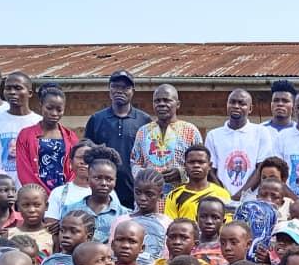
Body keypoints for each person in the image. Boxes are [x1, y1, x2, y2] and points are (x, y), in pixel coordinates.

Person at [83, 69, 151, 208]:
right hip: (103, 189)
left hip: (135, 190)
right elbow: (87, 154)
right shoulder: (97, 119)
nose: (120, 91)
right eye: (115, 86)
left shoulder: (144, 120)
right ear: (109, 90)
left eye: (125, 87)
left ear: (133, 91)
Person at [131, 85, 203, 194]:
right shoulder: (143, 132)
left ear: (177, 104)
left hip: (181, 199)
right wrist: (147, 176)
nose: (161, 104)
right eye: (157, 101)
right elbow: (135, 162)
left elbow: (201, 163)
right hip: (149, 200)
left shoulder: (191, 131)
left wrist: (182, 173)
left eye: (166, 100)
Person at [205, 89, 275, 200]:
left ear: (250, 108)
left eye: (242, 103)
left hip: (251, 198)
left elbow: (261, 167)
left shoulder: (261, 132)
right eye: (232, 102)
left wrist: (241, 194)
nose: (236, 106)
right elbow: (210, 170)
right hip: (221, 199)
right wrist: (224, 194)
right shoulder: (213, 135)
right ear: (227, 105)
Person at [15, 84, 78, 193]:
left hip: (66, 195)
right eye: (49, 108)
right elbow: (24, 170)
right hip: (36, 196)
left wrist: (65, 194)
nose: (54, 113)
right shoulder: (25, 135)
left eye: (59, 110)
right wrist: (42, 194)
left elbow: (76, 168)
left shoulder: (70, 136)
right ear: (41, 105)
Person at [0, 73, 40, 183]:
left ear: (30, 93)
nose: (12, 92)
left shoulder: (39, 122)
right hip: (2, 190)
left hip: (32, 190)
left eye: (18, 88)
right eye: (8, 88)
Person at [65, 146, 130, 242]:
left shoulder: (123, 214)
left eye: (109, 179)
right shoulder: (71, 210)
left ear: (115, 181)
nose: (103, 183)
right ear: (88, 178)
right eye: (97, 178)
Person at [163, 145, 231, 221]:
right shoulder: (174, 196)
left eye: (201, 162)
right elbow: (171, 225)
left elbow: (226, 224)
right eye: (191, 162)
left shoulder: (222, 194)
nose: (196, 165)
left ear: (209, 166)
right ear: (185, 166)